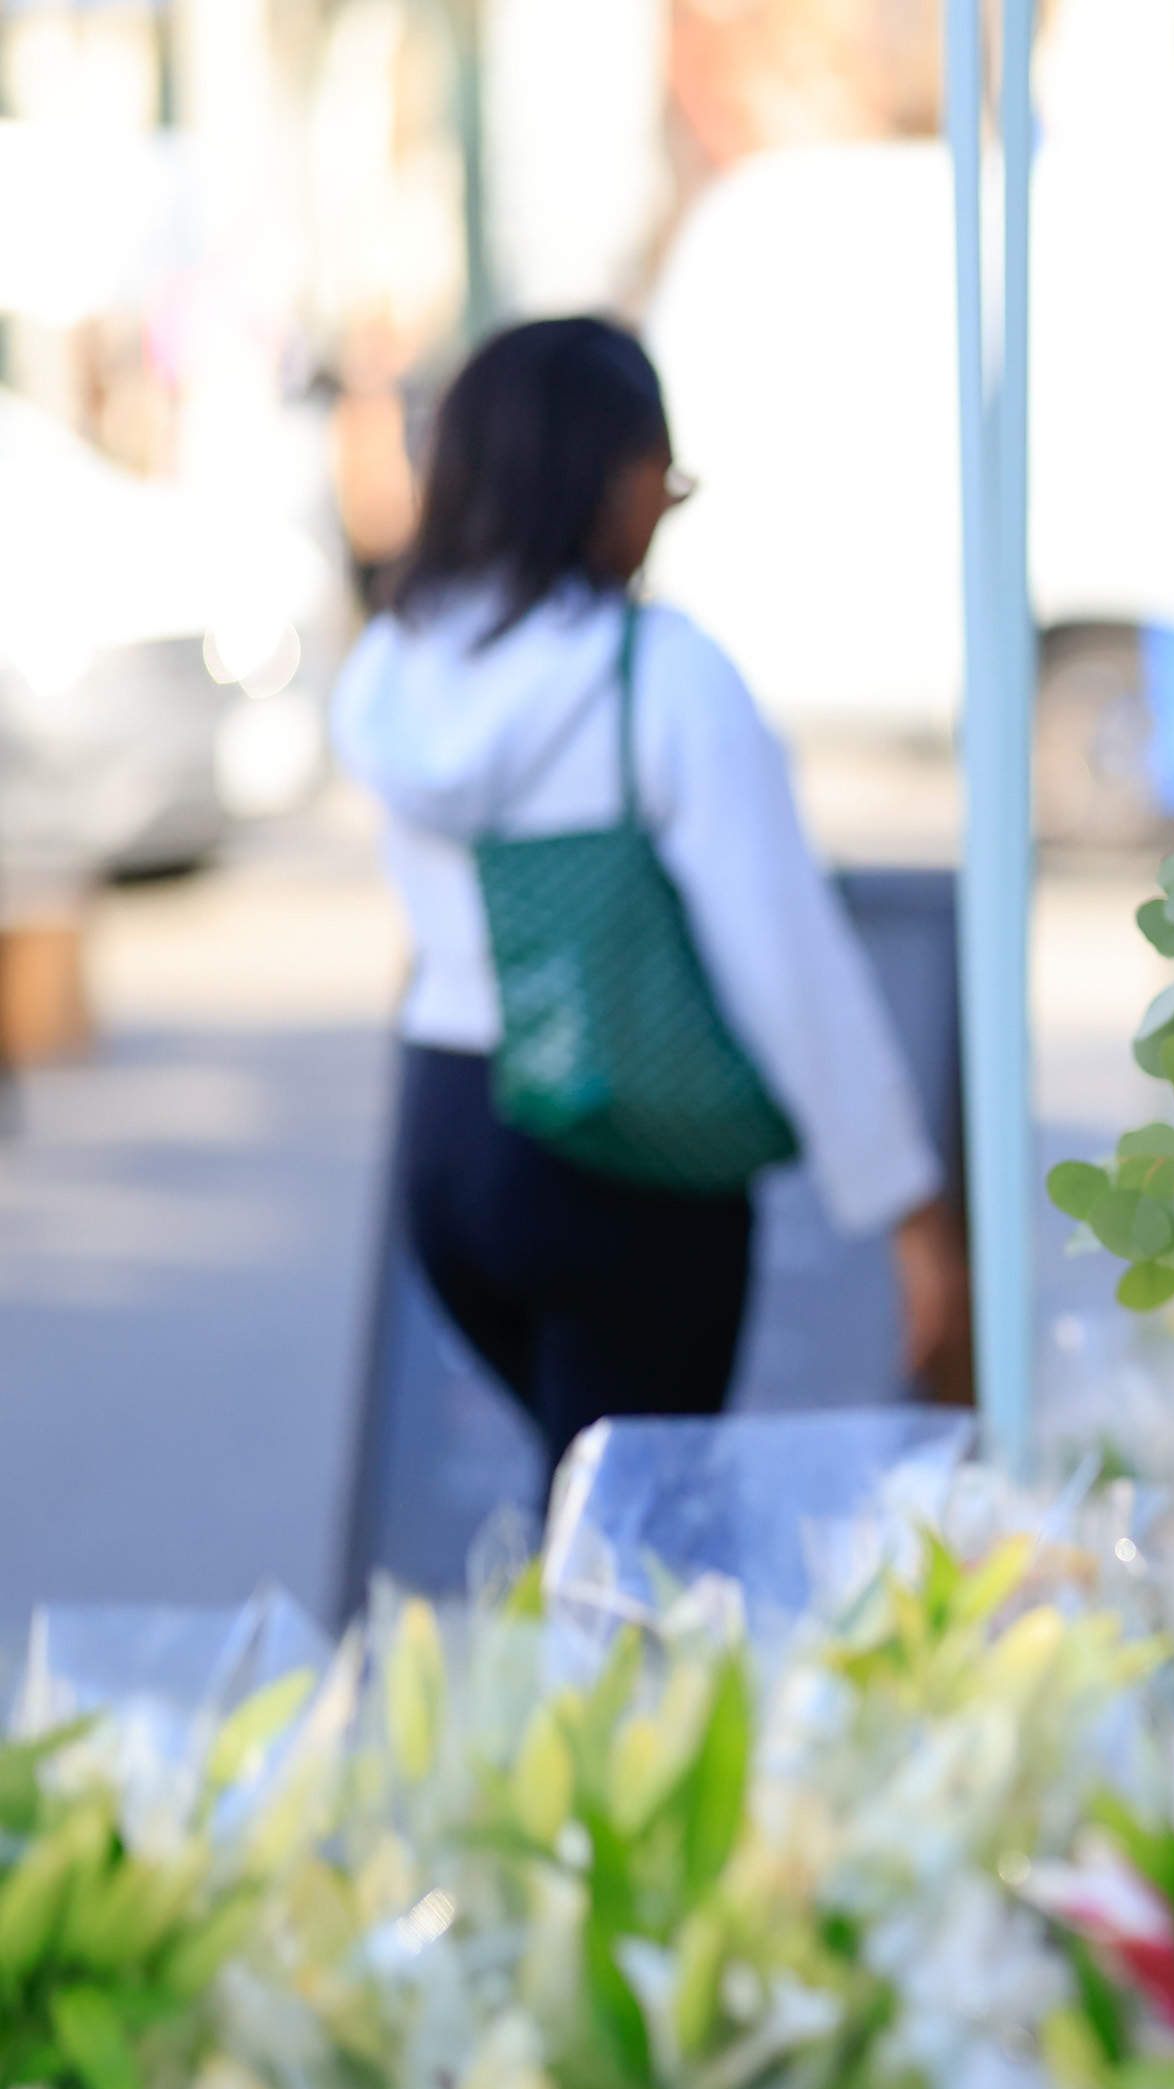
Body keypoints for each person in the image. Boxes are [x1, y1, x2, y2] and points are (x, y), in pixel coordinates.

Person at [333, 316, 959, 1475]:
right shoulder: (658, 675)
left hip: (449, 1144)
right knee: (637, 1535)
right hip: (618, 1150)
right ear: (609, 480)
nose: (663, 513)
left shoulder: (392, 666)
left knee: (572, 1500)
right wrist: (908, 1208)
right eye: (661, 480)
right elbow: (787, 962)